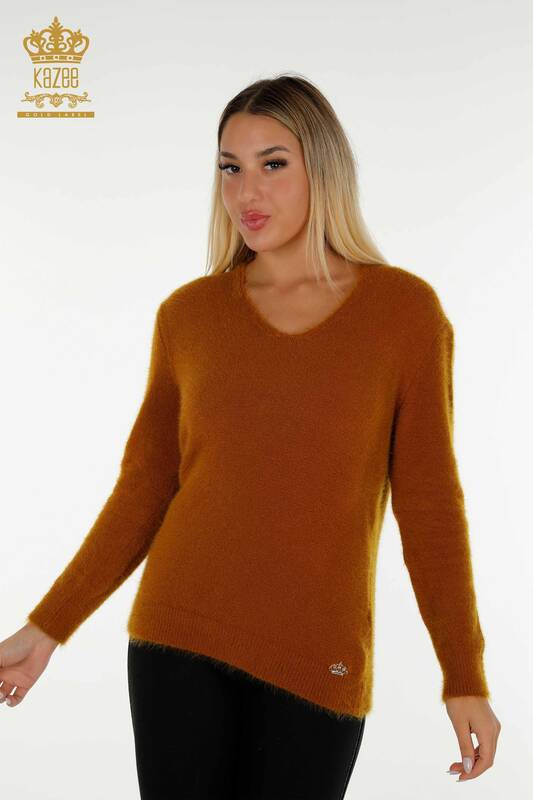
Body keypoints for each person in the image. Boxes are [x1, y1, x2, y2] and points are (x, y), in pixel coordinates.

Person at [0, 73, 501, 797]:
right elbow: (145, 488)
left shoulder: (404, 314)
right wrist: (47, 627)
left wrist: (463, 675)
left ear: (322, 169)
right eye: (230, 168)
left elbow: (430, 508)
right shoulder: (189, 316)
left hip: (320, 655)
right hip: (177, 638)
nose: (246, 192)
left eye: (273, 164)